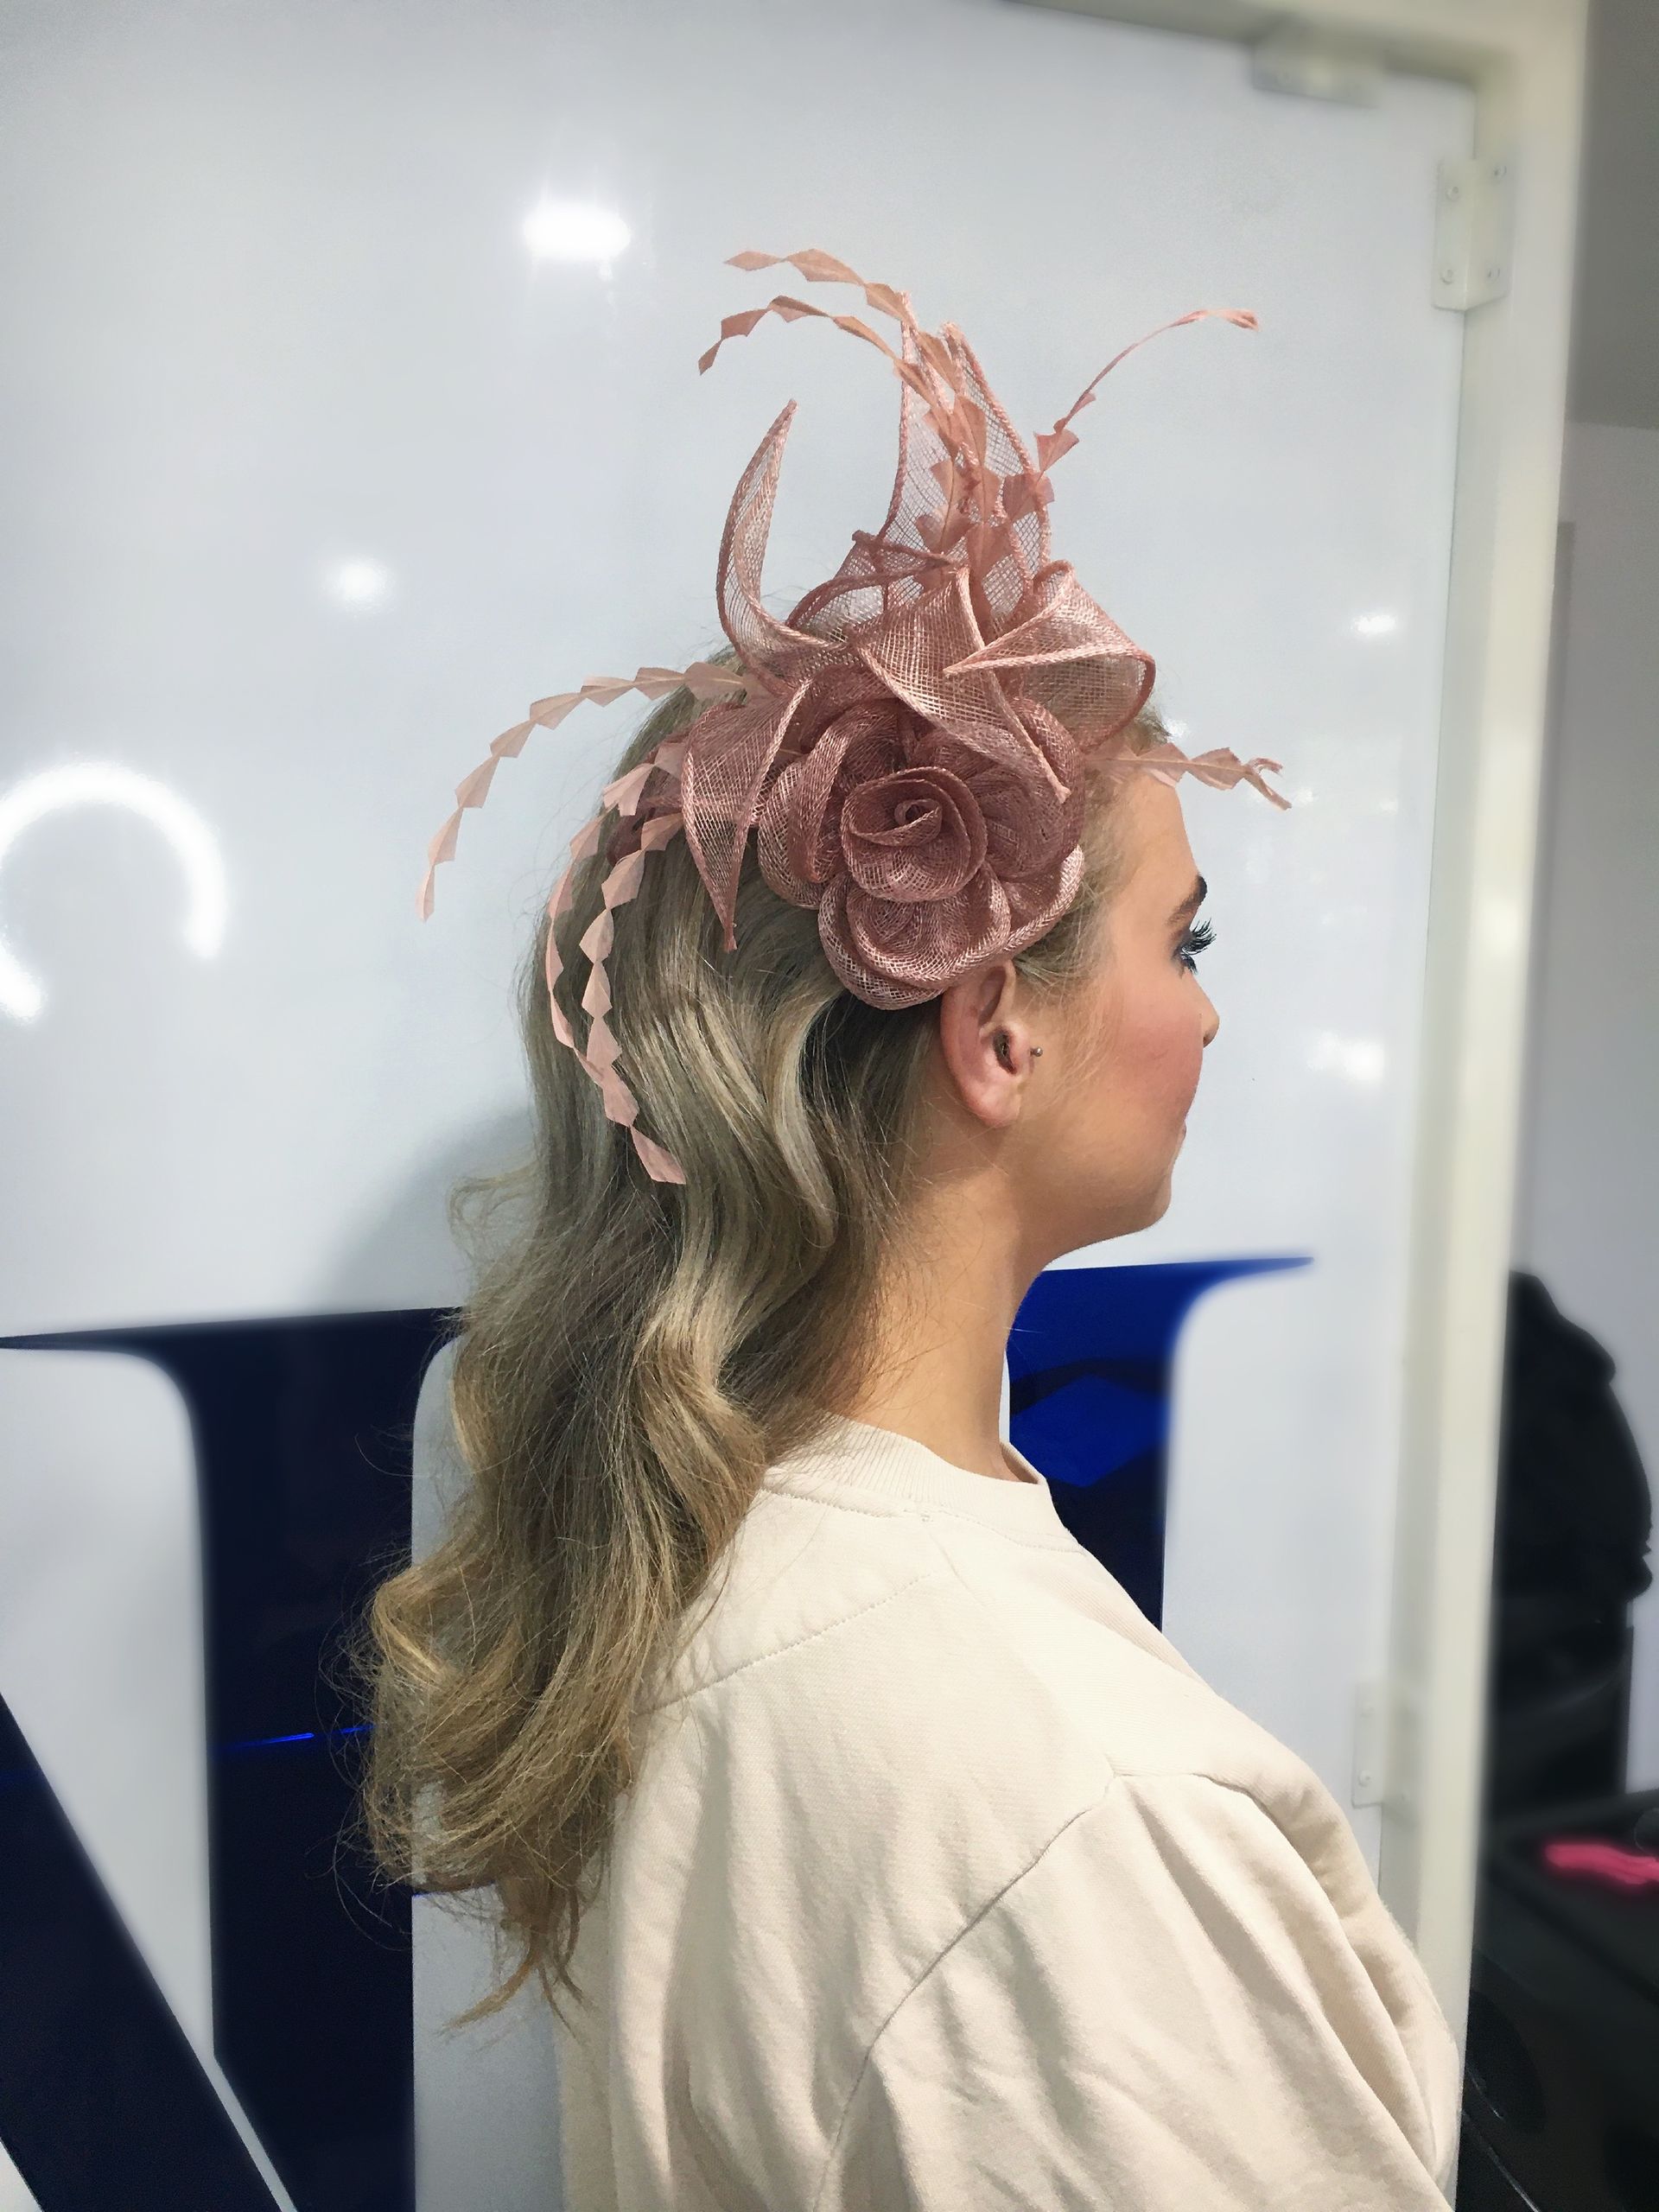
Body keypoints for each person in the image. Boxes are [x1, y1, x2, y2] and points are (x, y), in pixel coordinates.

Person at [361, 250, 1462, 2208]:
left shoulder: (713, 1539)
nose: (1206, 1010)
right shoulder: (1066, 1812)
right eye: (1181, 937)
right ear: (995, 1017)